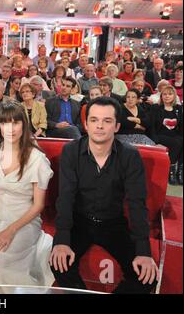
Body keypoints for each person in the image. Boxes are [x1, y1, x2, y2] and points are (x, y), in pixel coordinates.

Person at [49, 96, 159, 294]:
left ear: (116, 126)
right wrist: (62, 240)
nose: (99, 126)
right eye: (94, 120)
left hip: (113, 223)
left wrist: (143, 251)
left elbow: (137, 203)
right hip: (79, 222)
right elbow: (65, 197)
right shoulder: (71, 152)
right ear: (85, 124)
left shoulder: (130, 156)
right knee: (58, 263)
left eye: (106, 121)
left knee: (146, 278)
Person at [0, 101, 54, 289]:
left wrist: (11, 231)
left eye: (15, 123)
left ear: (24, 124)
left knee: (2, 260)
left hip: (24, 221)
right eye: (4, 123)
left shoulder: (36, 159)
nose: (10, 129)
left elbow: (38, 205)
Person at [149, 86, 183, 185]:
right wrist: (154, 139)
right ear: (161, 96)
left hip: (174, 135)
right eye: (165, 94)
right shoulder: (156, 108)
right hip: (160, 135)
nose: (167, 96)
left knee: (180, 141)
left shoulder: (178, 108)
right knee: (177, 143)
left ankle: (180, 172)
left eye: (170, 94)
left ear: (174, 96)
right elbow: (152, 126)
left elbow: (181, 126)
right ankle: (171, 171)